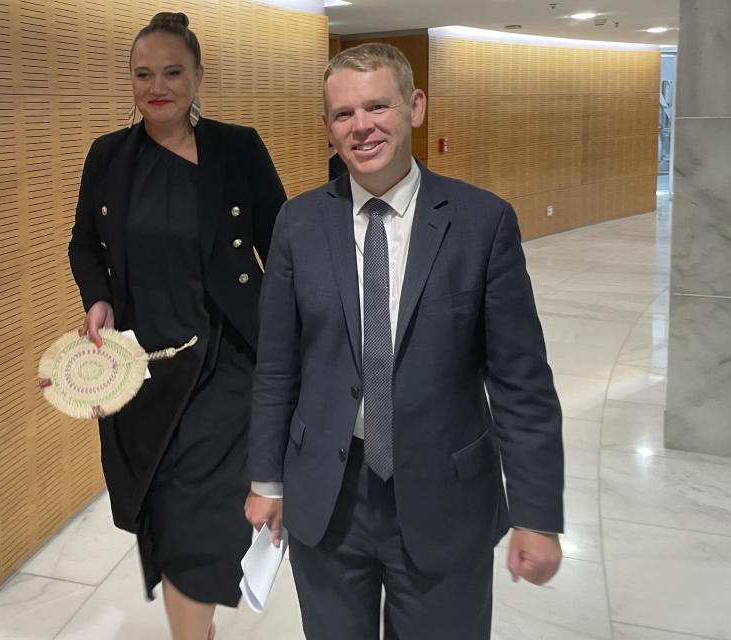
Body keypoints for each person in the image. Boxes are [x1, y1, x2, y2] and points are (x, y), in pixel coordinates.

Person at [245, 43, 564, 639]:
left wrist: (537, 516)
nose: (361, 126)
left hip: (445, 498)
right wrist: (266, 481)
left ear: (414, 106)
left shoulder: (481, 222)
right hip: (328, 499)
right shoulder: (299, 222)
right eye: (343, 114)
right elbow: (277, 367)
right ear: (326, 127)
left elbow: (521, 381)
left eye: (377, 106)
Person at [65, 12, 285, 640]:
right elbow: (84, 243)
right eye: (142, 74)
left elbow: (282, 246)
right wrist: (98, 299)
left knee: (196, 520)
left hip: (224, 366)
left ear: (197, 76)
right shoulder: (108, 157)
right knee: (163, 517)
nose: (156, 86)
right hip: (144, 372)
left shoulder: (237, 148)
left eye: (171, 73)